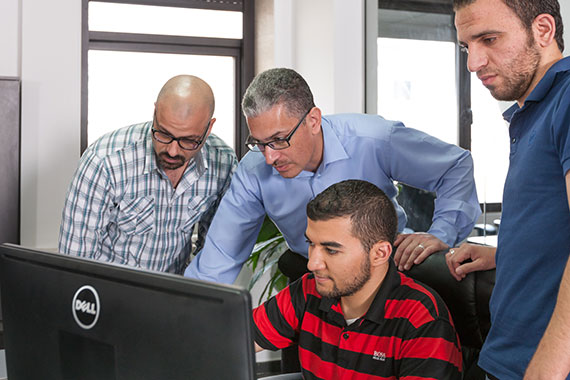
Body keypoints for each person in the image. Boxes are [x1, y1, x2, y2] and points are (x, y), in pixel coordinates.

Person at [185, 67, 480, 283]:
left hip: (388, 281)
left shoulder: (374, 140)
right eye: (259, 143)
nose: (269, 156)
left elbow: (455, 166)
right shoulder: (254, 171)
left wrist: (442, 234)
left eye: (278, 140)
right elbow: (219, 259)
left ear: (313, 120)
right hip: (316, 284)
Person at [447, 0, 570, 378]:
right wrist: (507, 252)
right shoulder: (534, 110)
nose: (473, 63)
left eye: (489, 39)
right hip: (510, 355)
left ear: (544, 30)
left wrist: (548, 367)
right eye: (468, 46)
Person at [253, 179, 463, 379]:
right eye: (311, 244)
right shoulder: (310, 289)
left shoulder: (421, 318)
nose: (312, 264)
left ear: (379, 253)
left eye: (331, 250)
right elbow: (238, 338)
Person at [59, 75, 237, 274]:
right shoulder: (105, 161)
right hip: (108, 293)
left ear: (209, 127)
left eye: (189, 141)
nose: (172, 151)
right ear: (155, 113)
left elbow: (215, 252)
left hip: (174, 294)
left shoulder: (223, 162)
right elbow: (75, 262)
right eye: (164, 134)